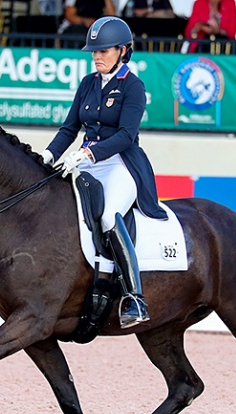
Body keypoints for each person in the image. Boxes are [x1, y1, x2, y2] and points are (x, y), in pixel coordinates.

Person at [41, 16, 167, 329]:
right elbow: (70, 127)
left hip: (121, 163)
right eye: (94, 51)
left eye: (104, 51)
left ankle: (135, 298)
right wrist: (47, 155)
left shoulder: (133, 86)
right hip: (86, 163)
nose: (97, 56)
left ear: (124, 50)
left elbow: (126, 134)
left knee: (110, 216)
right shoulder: (87, 84)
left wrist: (88, 153)